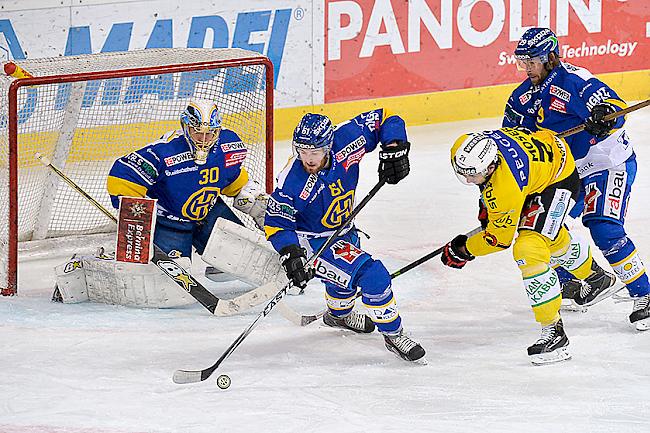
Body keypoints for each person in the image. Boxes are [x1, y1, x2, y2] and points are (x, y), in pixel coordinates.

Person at [502, 27, 649, 329]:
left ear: (550, 58)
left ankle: (644, 293)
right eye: (523, 63)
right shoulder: (522, 97)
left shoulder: (575, 81)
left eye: (532, 62)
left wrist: (602, 118)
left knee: (604, 227)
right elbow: (511, 138)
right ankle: (580, 281)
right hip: (566, 171)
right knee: (541, 224)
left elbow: (616, 109)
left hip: (605, 163)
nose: (527, 69)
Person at [263, 111, 425, 362]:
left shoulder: (348, 139)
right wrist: (291, 253)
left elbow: (387, 118)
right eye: (303, 151)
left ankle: (337, 316)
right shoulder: (291, 181)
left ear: (329, 145)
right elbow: (276, 222)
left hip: (345, 229)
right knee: (373, 275)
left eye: (315, 152)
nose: (308, 159)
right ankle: (394, 334)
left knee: (343, 287)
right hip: (314, 242)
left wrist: (395, 146)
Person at [441, 127, 609, 364]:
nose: (468, 180)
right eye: (464, 174)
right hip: (543, 164)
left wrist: (464, 250)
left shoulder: (505, 188)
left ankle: (555, 334)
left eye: (473, 176)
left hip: (559, 180)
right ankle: (596, 278)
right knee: (547, 234)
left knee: (529, 248)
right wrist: (488, 204)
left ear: (491, 167)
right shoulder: (466, 145)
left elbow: (498, 239)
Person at [107, 98, 268, 265]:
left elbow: (231, 178)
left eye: (210, 133)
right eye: (197, 132)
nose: (204, 139)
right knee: (174, 272)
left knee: (245, 258)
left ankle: (220, 261)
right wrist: (136, 218)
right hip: (168, 221)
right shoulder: (165, 152)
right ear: (185, 127)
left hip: (209, 213)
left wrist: (253, 202)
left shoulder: (228, 144)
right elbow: (122, 176)